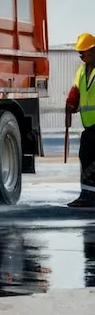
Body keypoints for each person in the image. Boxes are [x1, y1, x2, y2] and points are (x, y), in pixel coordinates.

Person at [65, 33, 95, 207]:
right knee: (86, 157)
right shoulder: (82, 71)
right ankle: (87, 195)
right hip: (90, 127)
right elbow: (76, 90)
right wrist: (71, 103)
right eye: (80, 53)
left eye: (84, 52)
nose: (82, 56)